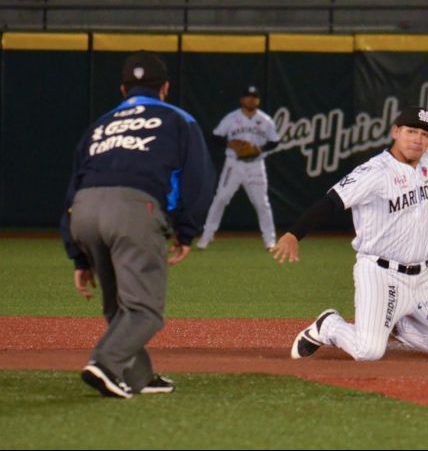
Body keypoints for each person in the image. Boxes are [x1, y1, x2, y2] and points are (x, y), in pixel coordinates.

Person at [271, 83, 428, 361]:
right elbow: (331, 201)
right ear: (396, 132)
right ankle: (329, 325)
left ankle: (397, 324)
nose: (417, 139)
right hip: (380, 274)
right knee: (368, 352)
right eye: (411, 131)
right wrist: (294, 234)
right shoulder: (374, 172)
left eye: (424, 134)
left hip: (422, 279)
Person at [60, 51, 216, 398]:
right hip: (133, 209)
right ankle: (105, 363)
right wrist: (187, 229)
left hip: (84, 211)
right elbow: (199, 178)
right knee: (145, 311)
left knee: (117, 306)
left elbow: (74, 185)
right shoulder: (178, 118)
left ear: (122, 89)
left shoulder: (99, 124)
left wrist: (79, 255)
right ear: (165, 88)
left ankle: (139, 376)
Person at [197, 85, 280, 250]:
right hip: (234, 164)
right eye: (248, 96)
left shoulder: (265, 120)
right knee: (221, 198)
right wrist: (230, 143)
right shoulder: (232, 118)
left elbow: (275, 141)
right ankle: (206, 237)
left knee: (262, 203)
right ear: (242, 99)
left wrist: (260, 149)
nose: (251, 99)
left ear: (258, 100)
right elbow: (215, 136)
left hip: (256, 165)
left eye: (254, 96)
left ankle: (270, 241)